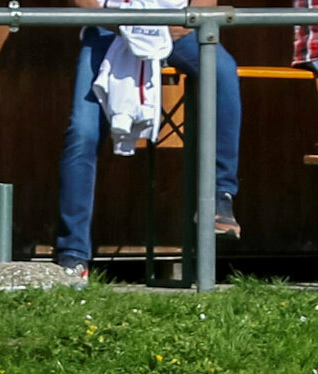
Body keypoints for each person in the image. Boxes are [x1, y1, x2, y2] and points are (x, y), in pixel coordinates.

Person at [54, 0, 243, 283]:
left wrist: (182, 23)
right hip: (109, 28)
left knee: (223, 72)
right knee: (83, 132)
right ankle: (72, 254)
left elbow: (207, 2)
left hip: (178, 27)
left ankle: (220, 197)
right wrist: (121, 23)